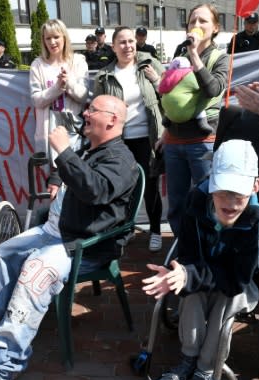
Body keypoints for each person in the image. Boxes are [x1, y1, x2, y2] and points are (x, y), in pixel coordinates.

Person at [0, 94, 138, 380]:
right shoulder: (90, 147)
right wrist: (58, 175)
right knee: (5, 252)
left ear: (112, 119)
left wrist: (64, 151)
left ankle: (4, 363)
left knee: (33, 274)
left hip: (82, 244)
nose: (85, 114)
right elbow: (72, 167)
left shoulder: (120, 159)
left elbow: (96, 191)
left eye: (92, 110)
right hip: (56, 230)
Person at [143, 139, 259, 380]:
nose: (230, 201)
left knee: (226, 299)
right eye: (223, 190)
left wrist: (191, 275)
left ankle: (205, 370)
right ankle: (188, 360)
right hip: (205, 272)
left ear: (255, 185)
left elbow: (237, 280)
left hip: (242, 285)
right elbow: (189, 256)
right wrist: (180, 274)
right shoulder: (196, 202)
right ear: (211, 181)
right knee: (190, 291)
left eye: (239, 193)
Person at [157, 3, 228, 237]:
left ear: (215, 27)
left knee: (207, 200)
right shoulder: (179, 53)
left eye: (203, 21)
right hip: (175, 142)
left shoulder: (219, 57)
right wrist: (164, 133)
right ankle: (183, 249)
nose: (196, 25)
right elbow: (171, 96)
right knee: (176, 203)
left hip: (203, 141)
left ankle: (208, 255)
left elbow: (213, 89)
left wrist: (195, 56)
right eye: (192, 21)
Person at [93, 26, 164, 252]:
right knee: (123, 188)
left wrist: (156, 79)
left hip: (147, 138)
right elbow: (98, 108)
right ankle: (126, 229)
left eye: (131, 41)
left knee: (150, 186)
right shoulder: (104, 75)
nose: (128, 46)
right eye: (122, 42)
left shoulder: (149, 65)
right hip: (119, 141)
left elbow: (168, 92)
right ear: (113, 46)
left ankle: (155, 230)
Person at [29, 19, 89, 167]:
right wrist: (57, 88)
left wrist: (68, 83)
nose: (52, 42)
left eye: (56, 37)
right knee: (53, 183)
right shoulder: (37, 65)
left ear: (64, 37)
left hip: (75, 130)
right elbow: (36, 100)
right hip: (48, 131)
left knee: (76, 176)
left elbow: (83, 96)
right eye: (48, 38)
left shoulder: (78, 61)